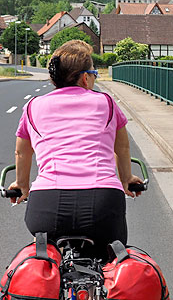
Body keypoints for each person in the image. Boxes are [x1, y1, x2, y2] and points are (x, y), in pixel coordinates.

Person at [9, 40, 142, 261]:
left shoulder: (33, 106)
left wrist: (21, 185)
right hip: (103, 203)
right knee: (112, 263)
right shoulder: (106, 102)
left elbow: (23, 152)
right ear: (84, 77)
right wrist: (127, 178)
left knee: (44, 260)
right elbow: (122, 146)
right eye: (94, 74)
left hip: (47, 205)